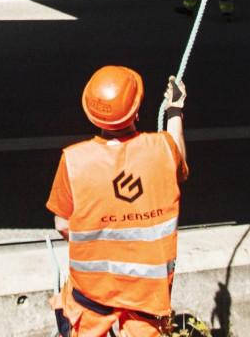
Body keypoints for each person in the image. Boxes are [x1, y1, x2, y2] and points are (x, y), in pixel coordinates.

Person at [48, 67, 189, 337]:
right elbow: (179, 157)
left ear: (90, 114)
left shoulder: (75, 161)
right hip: (148, 289)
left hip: (94, 289)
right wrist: (174, 110)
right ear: (136, 113)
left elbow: (62, 223)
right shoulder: (163, 149)